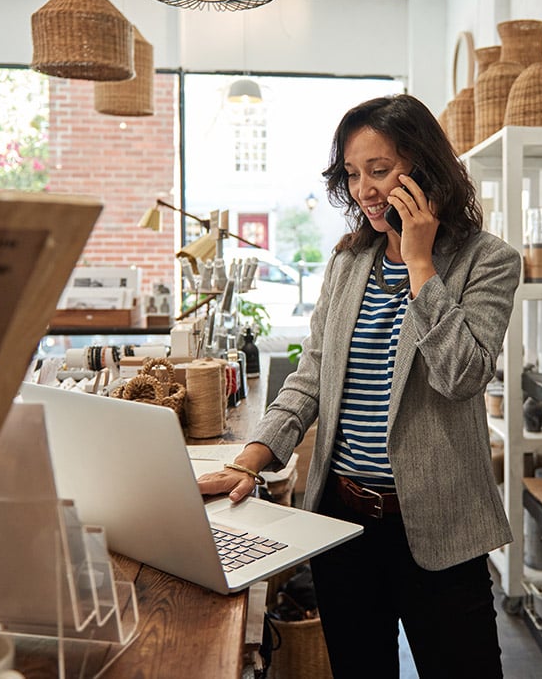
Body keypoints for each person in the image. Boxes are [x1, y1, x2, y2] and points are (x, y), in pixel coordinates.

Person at [198, 93, 521, 677]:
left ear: (424, 168)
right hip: (343, 526)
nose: (364, 190)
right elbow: (311, 378)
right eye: (352, 173)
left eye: (380, 170)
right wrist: (251, 458)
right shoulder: (349, 264)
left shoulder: (486, 260)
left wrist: (420, 265)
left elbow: (462, 375)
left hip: (440, 529)